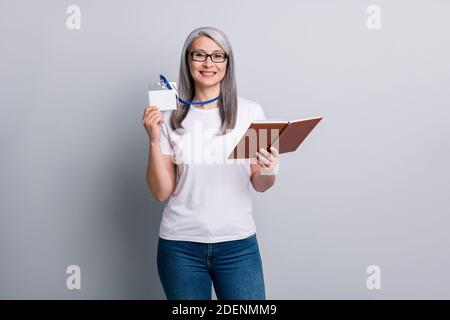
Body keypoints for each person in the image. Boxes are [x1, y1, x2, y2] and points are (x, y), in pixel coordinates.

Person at [141, 26, 280, 300]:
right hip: (180, 247)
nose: (208, 63)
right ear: (188, 60)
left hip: (238, 246)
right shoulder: (169, 116)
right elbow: (161, 192)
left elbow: (261, 184)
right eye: (200, 55)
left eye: (218, 55)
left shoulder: (250, 112)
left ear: (228, 63)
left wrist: (268, 168)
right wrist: (154, 141)